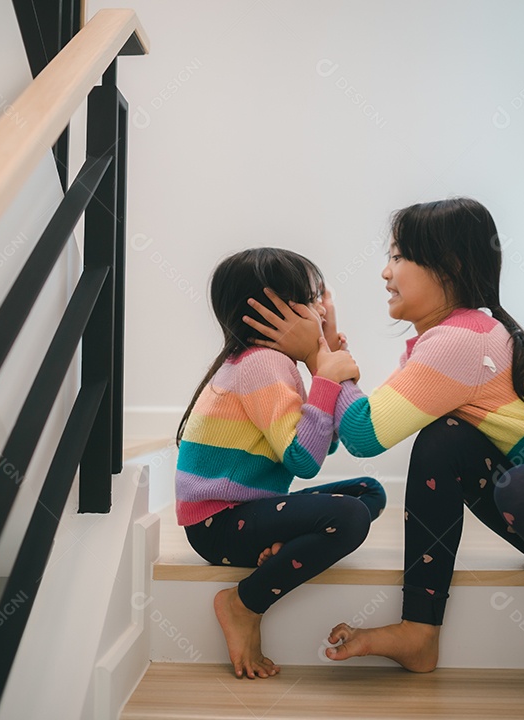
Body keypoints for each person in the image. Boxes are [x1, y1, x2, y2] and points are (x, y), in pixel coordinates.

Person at [245, 198, 524, 698]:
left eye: (398, 256)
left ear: (447, 267)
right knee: (443, 440)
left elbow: (363, 436)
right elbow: (361, 422)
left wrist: (321, 356)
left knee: (520, 486)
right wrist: (329, 354)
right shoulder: (447, 338)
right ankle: (419, 630)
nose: (385, 273)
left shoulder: (462, 342)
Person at [176, 247, 386, 680]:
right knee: (349, 517)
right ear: (276, 311)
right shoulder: (263, 364)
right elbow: (306, 461)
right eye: (311, 300)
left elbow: (320, 446)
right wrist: (325, 375)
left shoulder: (266, 362)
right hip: (218, 524)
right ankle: (243, 602)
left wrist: (320, 360)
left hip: (245, 512)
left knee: (368, 492)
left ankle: (277, 547)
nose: (320, 309)